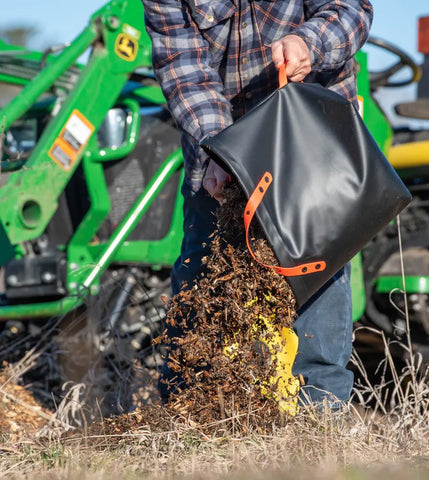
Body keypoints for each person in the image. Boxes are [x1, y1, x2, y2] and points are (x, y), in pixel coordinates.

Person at [141, 0, 374, 407]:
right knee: (204, 274)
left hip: (314, 142)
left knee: (319, 275)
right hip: (219, 150)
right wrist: (223, 151)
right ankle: (190, 411)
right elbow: (185, 72)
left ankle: (318, 418)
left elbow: (350, 10)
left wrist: (309, 42)